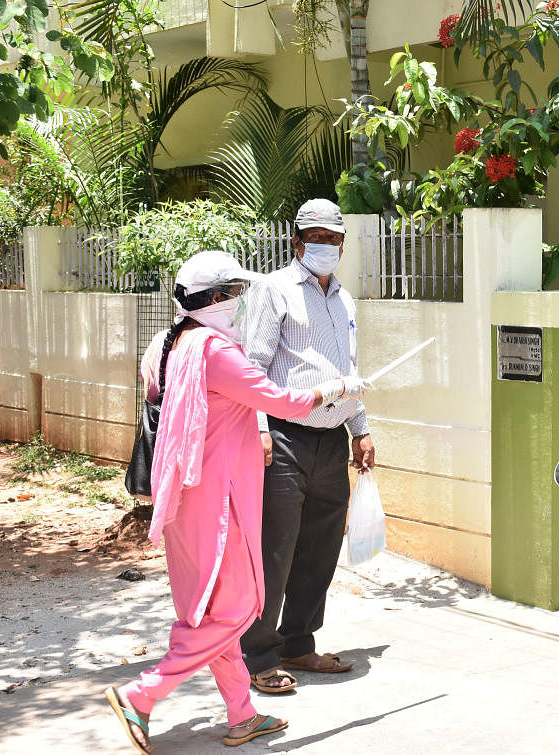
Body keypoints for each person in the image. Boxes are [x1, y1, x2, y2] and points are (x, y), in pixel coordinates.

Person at [103, 250, 368, 753]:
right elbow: (280, 400)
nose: (241, 302)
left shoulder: (170, 341)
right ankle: (143, 693)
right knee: (239, 608)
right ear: (216, 299)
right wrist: (340, 387)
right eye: (234, 294)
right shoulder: (214, 351)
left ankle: (242, 714)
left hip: (187, 499)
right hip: (219, 503)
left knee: (209, 613)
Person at [239, 198, 375, 694]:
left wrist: (360, 427)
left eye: (332, 239)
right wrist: (257, 429)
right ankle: (258, 656)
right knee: (276, 549)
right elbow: (252, 366)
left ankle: (298, 643)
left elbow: (349, 372)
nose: (324, 246)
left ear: (342, 245)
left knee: (319, 548)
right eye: (315, 238)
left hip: (333, 440)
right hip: (283, 438)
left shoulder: (345, 300)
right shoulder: (274, 290)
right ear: (296, 240)